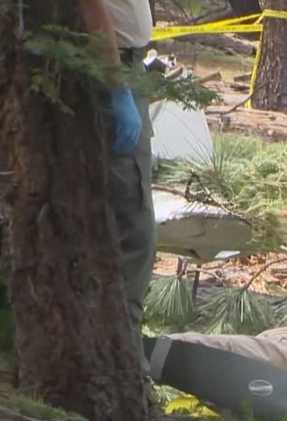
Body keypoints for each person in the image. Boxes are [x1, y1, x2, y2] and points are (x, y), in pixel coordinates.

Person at [81, 0, 156, 366]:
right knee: (132, 232)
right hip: (109, 69)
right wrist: (116, 85)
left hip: (126, 66)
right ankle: (124, 368)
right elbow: (91, 7)